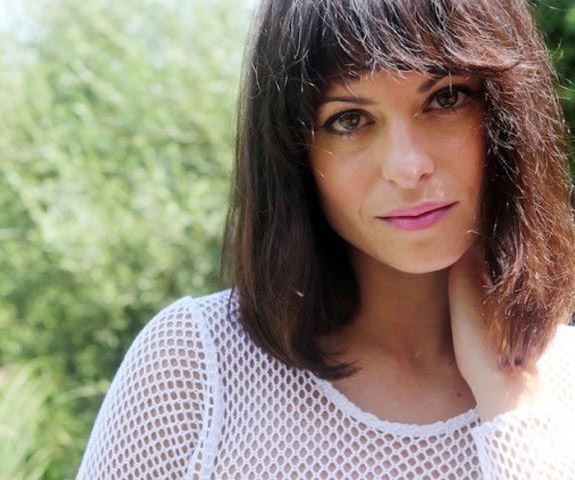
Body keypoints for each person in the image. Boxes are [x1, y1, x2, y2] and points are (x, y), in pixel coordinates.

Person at [77, 0, 575, 478]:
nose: (407, 167)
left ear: (508, 112)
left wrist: (512, 399)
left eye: (445, 98)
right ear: (294, 155)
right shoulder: (196, 368)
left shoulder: (565, 381)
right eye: (349, 120)